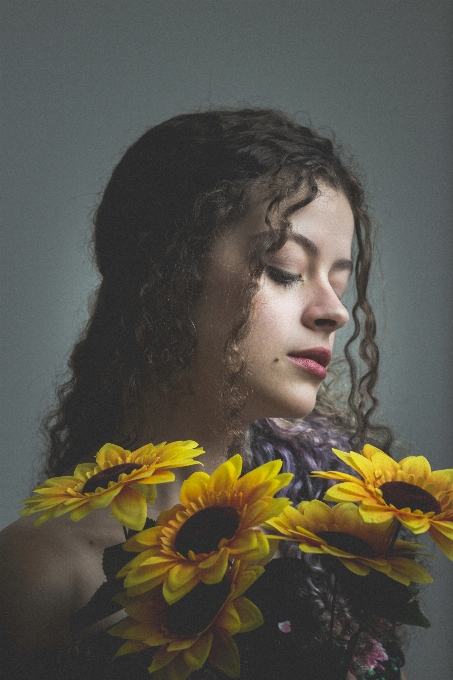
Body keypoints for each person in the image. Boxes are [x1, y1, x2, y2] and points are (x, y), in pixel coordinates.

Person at [0, 108, 408, 679]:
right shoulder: (47, 571)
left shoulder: (337, 540)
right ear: (167, 275)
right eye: (285, 269)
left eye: (339, 282)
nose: (335, 311)